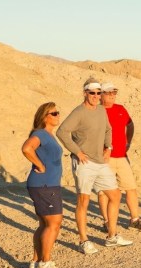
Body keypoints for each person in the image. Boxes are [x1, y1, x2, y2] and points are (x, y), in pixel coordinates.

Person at [57, 78, 133, 254]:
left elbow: (108, 129)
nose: (96, 96)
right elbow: (62, 131)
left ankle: (112, 236)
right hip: (84, 162)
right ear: (85, 93)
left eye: (99, 93)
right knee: (83, 200)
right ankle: (84, 240)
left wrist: (109, 147)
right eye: (92, 93)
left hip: (100, 161)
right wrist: (77, 151)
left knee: (115, 195)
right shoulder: (79, 112)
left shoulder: (100, 110)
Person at [97, 82, 141, 233]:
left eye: (114, 92)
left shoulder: (120, 109)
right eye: (109, 93)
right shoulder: (97, 111)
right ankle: (107, 222)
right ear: (101, 94)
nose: (112, 95)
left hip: (121, 155)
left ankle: (135, 220)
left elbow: (130, 124)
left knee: (131, 188)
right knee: (104, 192)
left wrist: (128, 142)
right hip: (104, 158)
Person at [21, 102, 66, 268]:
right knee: (54, 223)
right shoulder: (40, 134)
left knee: (44, 224)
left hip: (46, 184)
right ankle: (45, 262)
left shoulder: (48, 135)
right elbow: (26, 148)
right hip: (45, 185)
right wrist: (39, 165)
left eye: (57, 112)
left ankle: (35, 261)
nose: (57, 115)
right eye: (53, 113)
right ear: (44, 117)